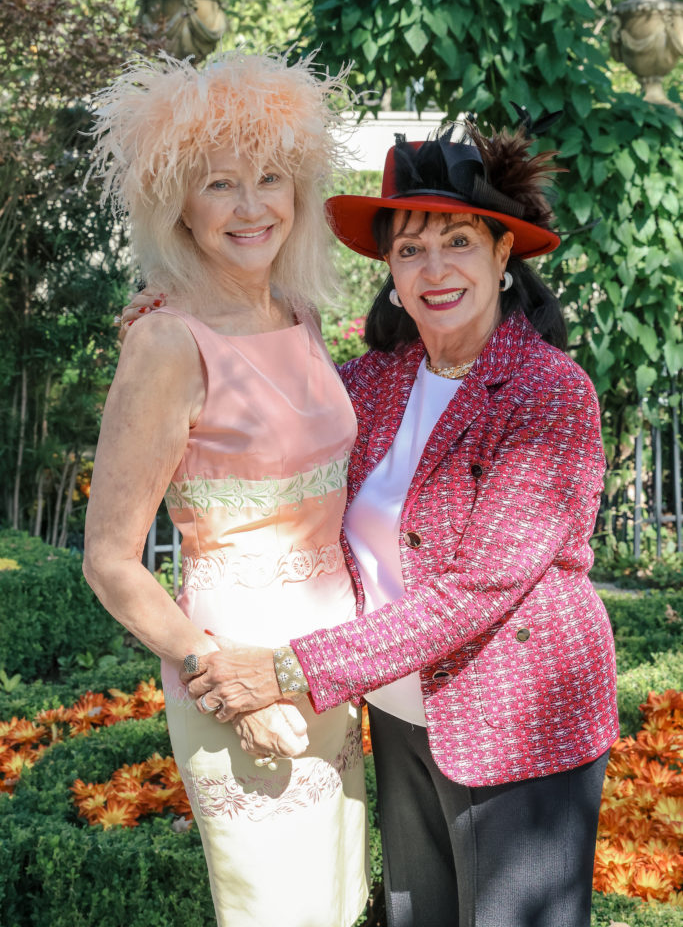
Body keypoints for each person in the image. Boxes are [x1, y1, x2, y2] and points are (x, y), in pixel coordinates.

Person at [177, 118, 620, 926]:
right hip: (398, 710)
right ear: (387, 268)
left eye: (456, 240)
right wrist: (180, 313)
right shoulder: (375, 381)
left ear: (501, 254)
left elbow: (476, 590)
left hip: (514, 715)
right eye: (409, 248)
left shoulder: (549, 393)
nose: (433, 267)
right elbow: (261, 383)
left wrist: (284, 669)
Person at [82, 51, 369, 927]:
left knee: (333, 898)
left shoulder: (302, 314)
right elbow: (109, 562)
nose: (253, 207)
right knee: (274, 908)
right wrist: (223, 682)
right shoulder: (167, 343)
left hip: (335, 661)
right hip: (238, 669)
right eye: (220, 184)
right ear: (178, 203)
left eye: (271, 177)